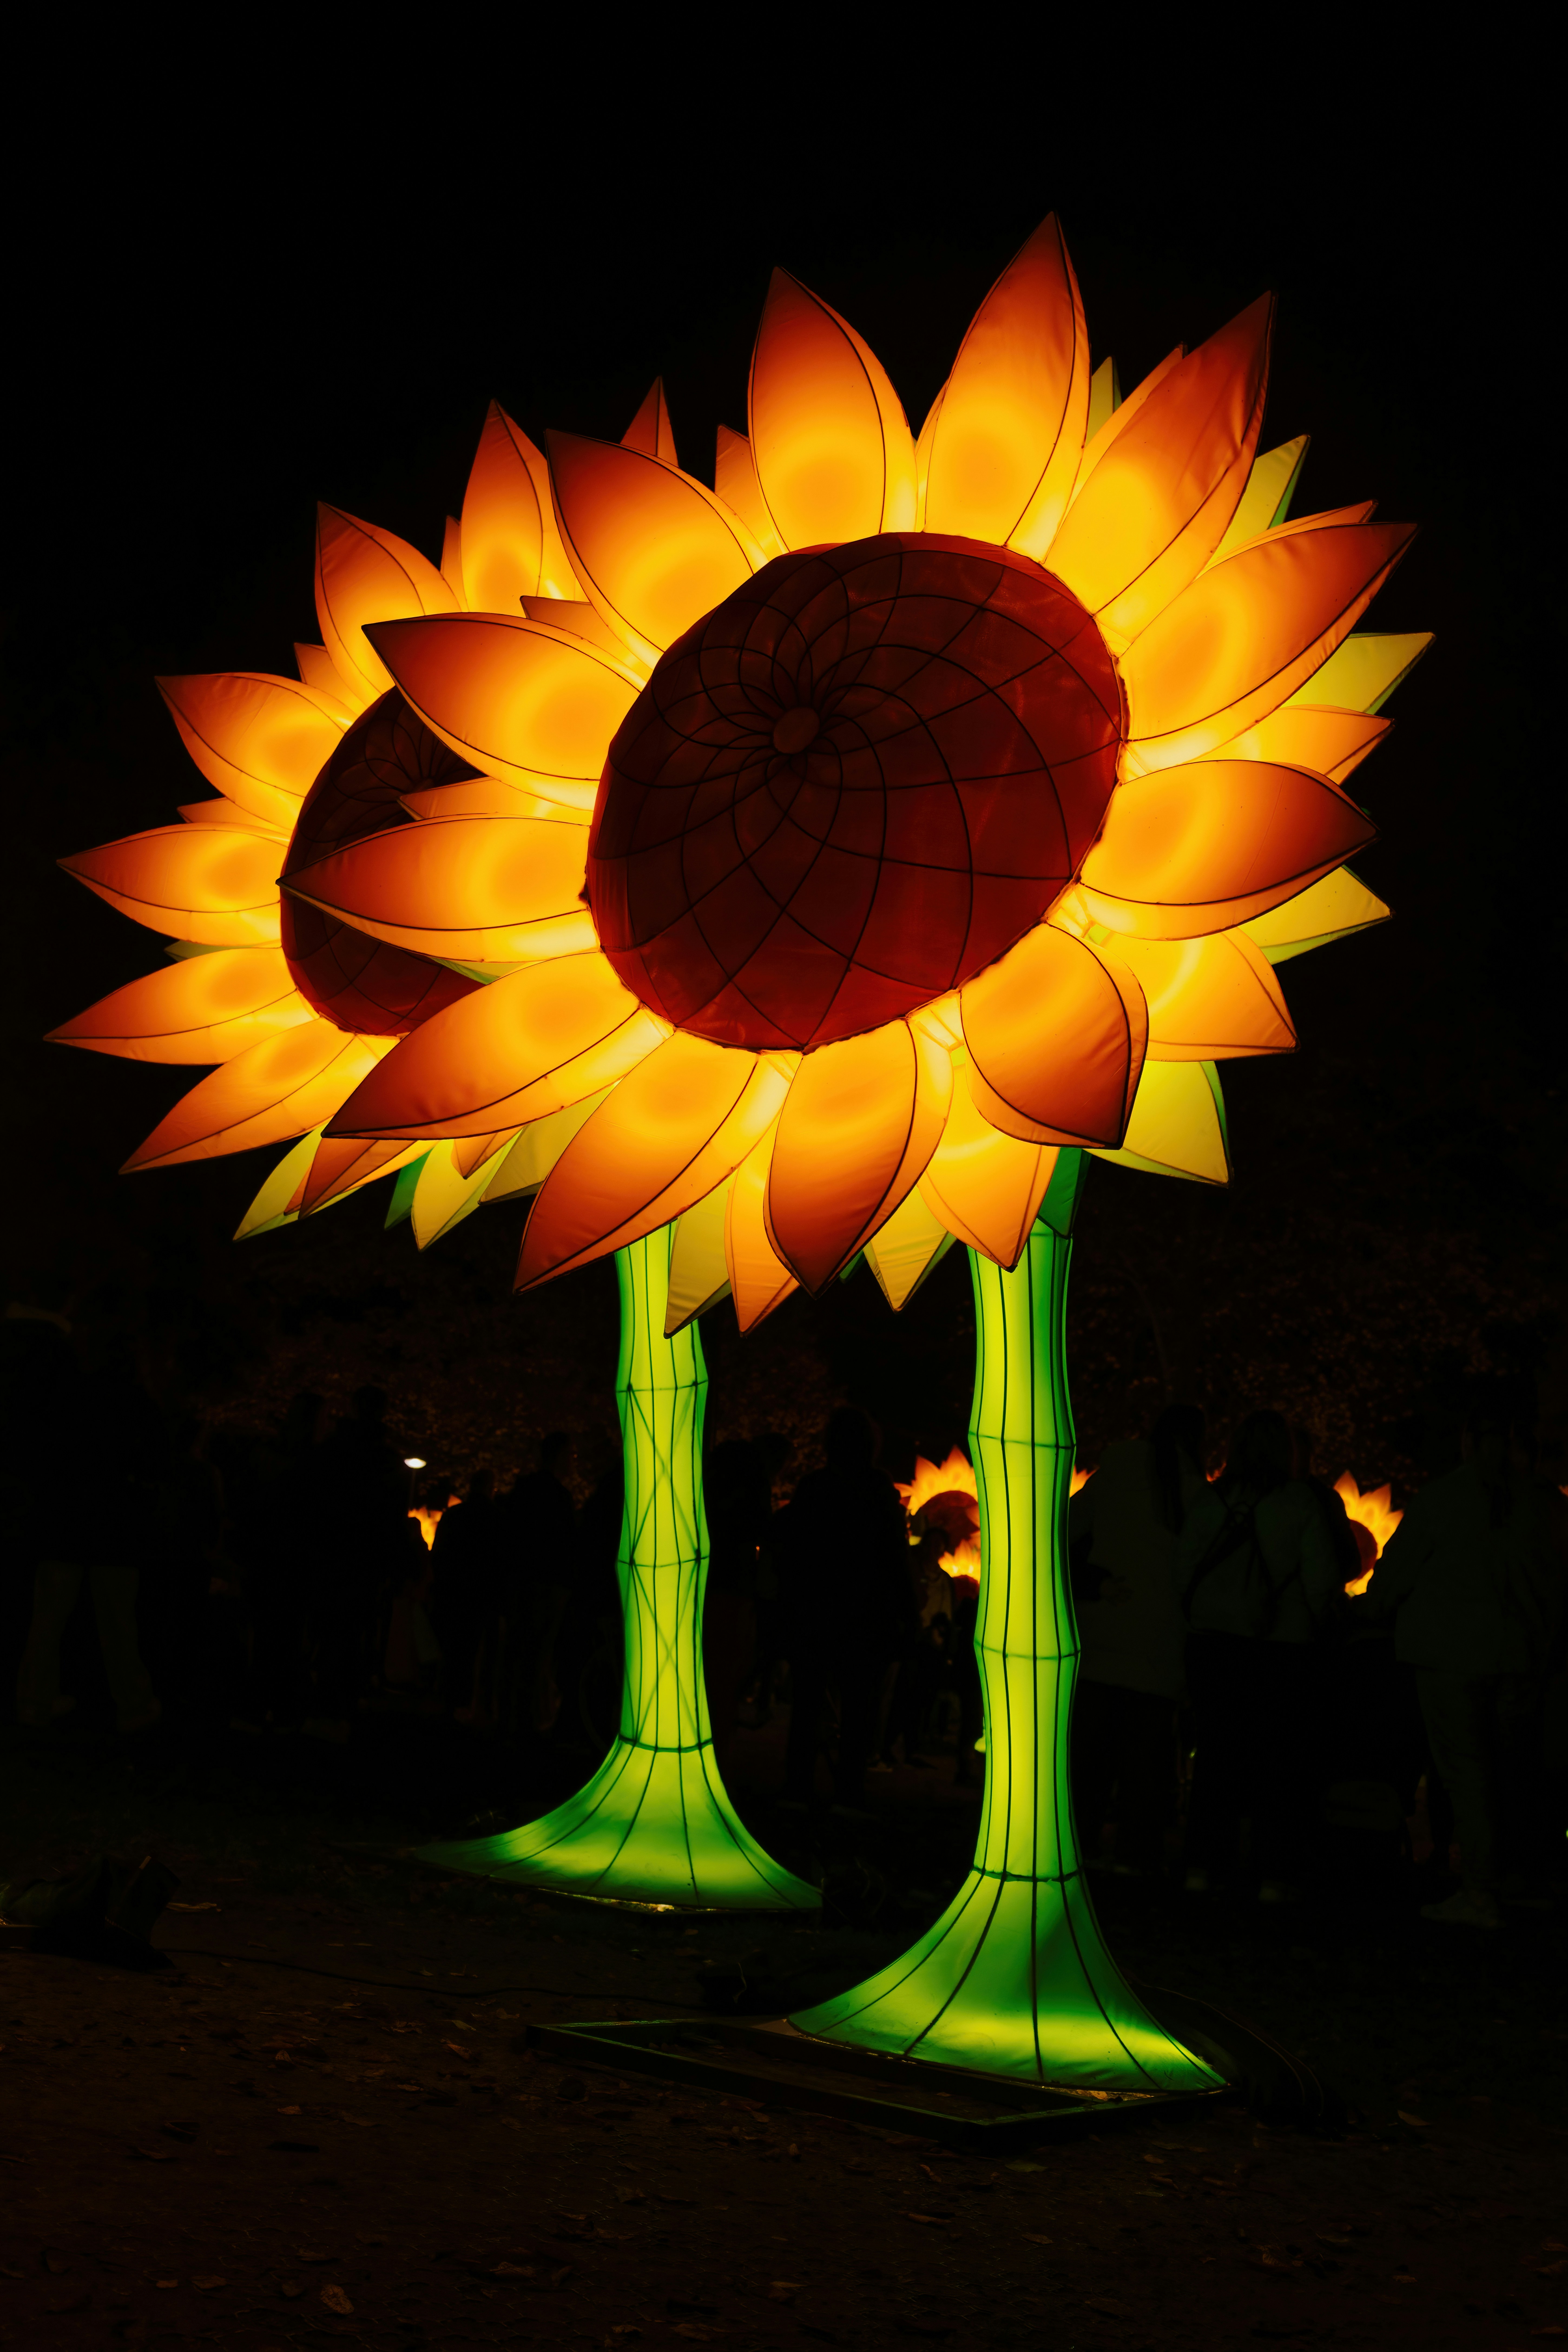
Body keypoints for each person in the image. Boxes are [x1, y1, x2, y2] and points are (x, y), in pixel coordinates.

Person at [1358, 1382, 1568, 1926]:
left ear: (1469, 1441)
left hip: (1450, 1656)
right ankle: (1520, 1876)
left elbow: (1396, 1575)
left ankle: (1479, 1888)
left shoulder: (1444, 1499)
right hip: (1522, 1655)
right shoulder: (1545, 1505)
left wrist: (1375, 1607)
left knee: (1468, 1773)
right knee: (1514, 1771)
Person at [1176, 1409, 1340, 1897]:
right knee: (1279, 1766)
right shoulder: (1300, 1503)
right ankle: (1272, 1871)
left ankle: (1204, 1864)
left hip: (1215, 1645)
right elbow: (1322, 1581)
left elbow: (1182, 1571)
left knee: (1216, 1759)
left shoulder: (1211, 1501)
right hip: (1282, 1651)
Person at [1068, 1403, 1207, 1876]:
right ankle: (1136, 1851)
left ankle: (1077, 1841)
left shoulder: (1114, 1477)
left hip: (1103, 1631)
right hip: (1160, 1647)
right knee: (1145, 1764)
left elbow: (1064, 1528)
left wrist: (1092, 1579)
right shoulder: (1197, 1498)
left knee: (1089, 1756)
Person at [777, 1407, 912, 1811]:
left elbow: (793, 1551)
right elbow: (894, 1557)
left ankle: (798, 1786)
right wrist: (905, 1611)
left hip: (816, 1611)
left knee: (808, 1705)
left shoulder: (815, 1487)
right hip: (864, 1615)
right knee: (860, 1710)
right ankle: (848, 1791)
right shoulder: (878, 1490)